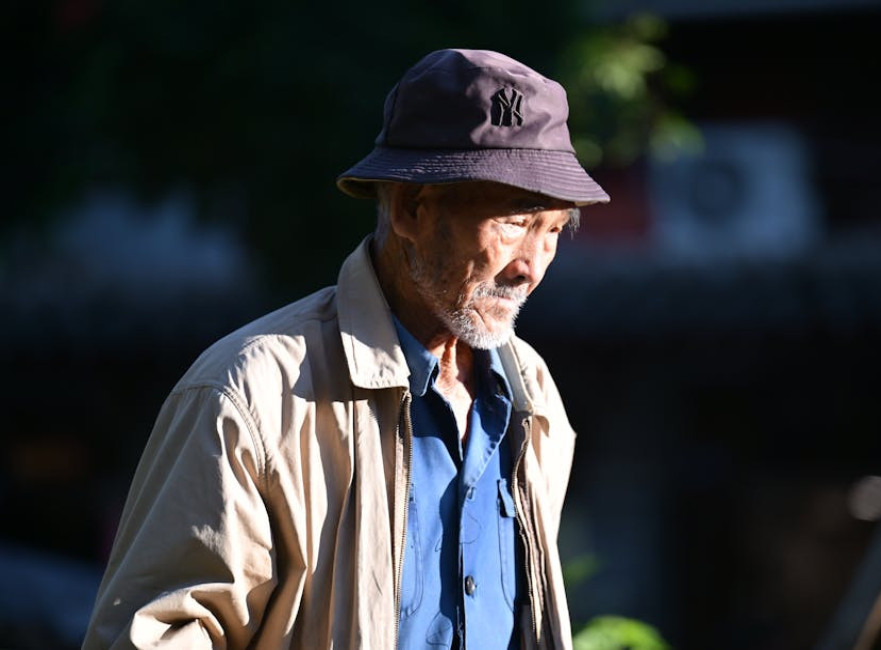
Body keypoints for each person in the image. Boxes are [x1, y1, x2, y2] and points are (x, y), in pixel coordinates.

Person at [83, 48, 609, 650]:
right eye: (515, 223)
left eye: (553, 230)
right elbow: (159, 633)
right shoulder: (254, 393)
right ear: (412, 207)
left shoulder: (530, 392)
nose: (531, 267)